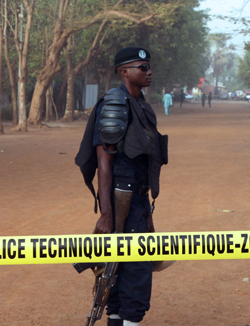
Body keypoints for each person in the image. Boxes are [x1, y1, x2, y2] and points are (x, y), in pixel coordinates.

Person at [75, 47, 168, 326]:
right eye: (142, 66)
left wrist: (146, 206)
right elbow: (104, 164)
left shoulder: (141, 106)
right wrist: (106, 213)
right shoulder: (114, 103)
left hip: (137, 200)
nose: (149, 71)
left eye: (149, 66)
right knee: (134, 271)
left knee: (122, 270)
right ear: (124, 71)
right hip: (120, 200)